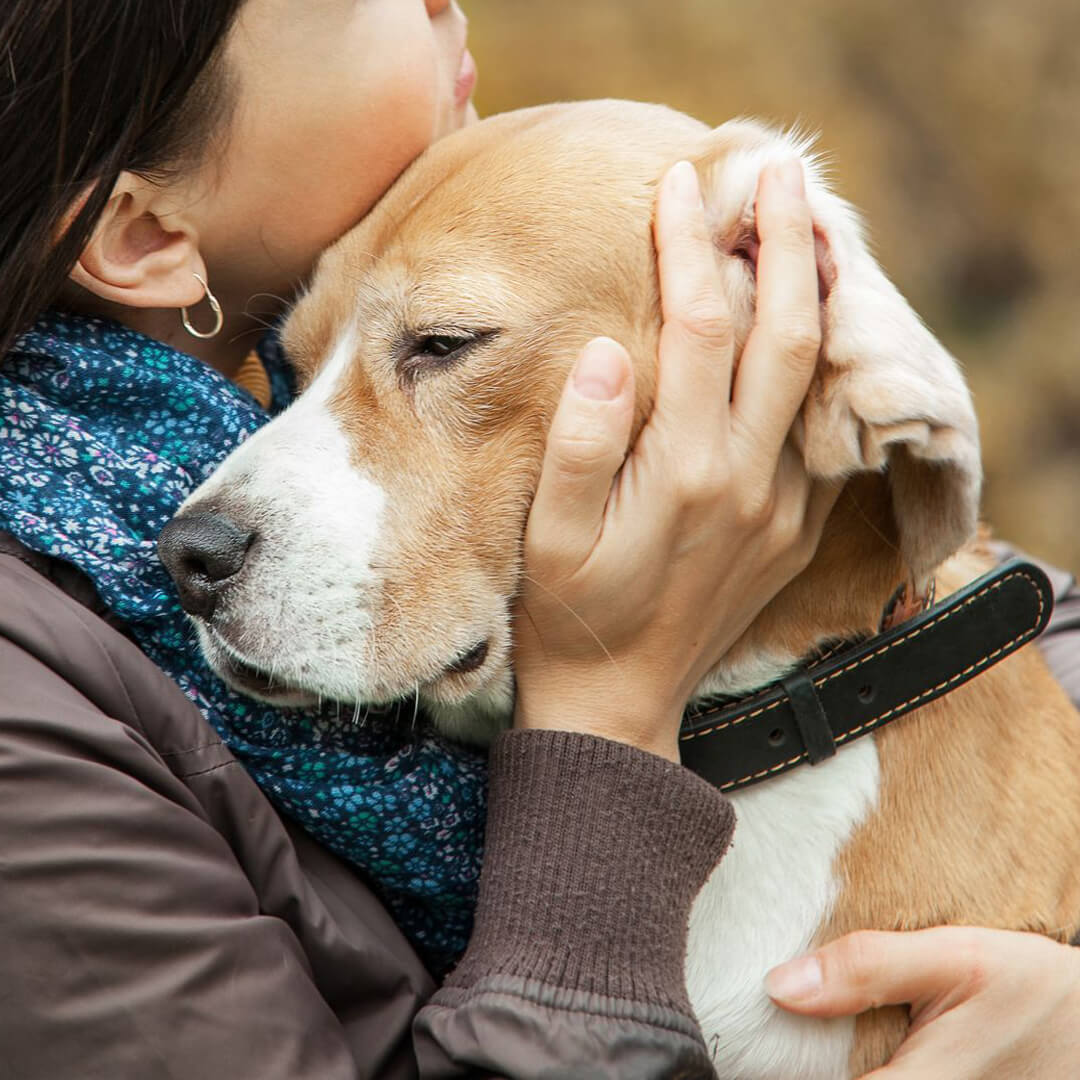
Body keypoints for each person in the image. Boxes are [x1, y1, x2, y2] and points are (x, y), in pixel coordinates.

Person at [0, 3, 1075, 1079]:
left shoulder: (490, 228)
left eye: (440, 345)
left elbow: (980, 580)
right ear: (140, 233)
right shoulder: (35, 729)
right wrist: (607, 706)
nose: (437, 3)